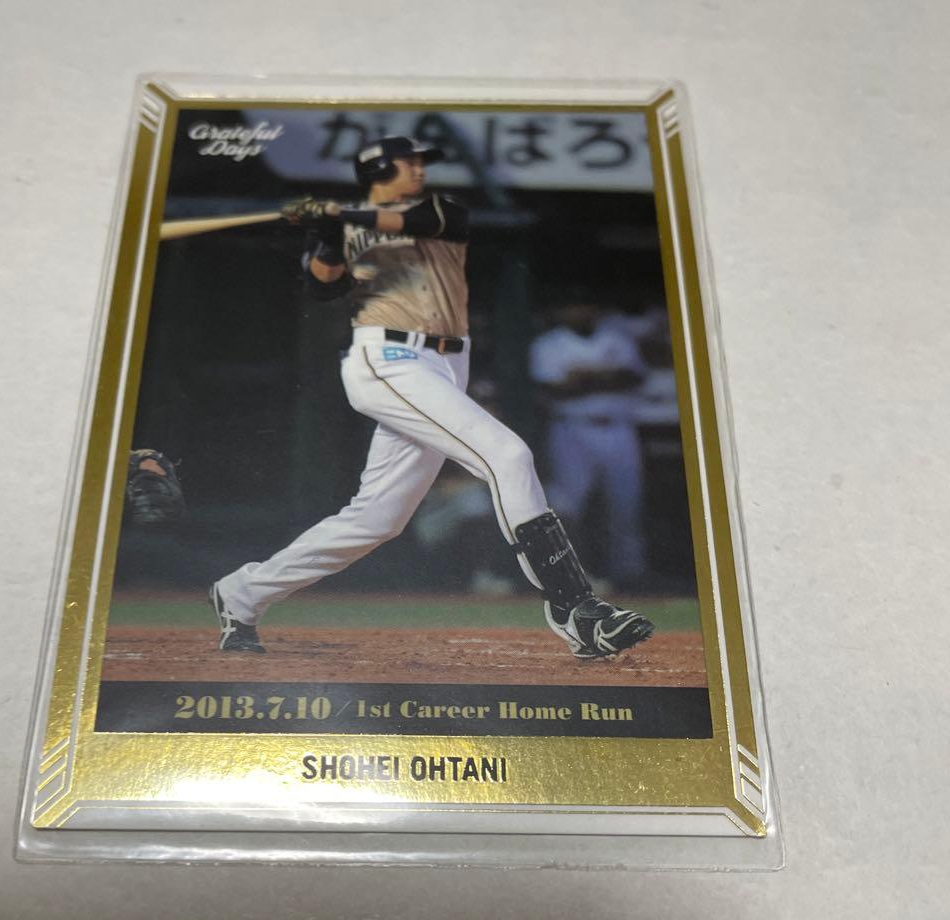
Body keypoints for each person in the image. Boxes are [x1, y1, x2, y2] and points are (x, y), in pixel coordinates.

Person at [209, 136, 654, 659]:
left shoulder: (439, 211)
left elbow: (420, 222)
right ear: (378, 167)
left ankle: (242, 593)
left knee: (376, 519)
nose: (419, 169)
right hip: (388, 358)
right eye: (409, 162)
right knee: (508, 455)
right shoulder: (348, 227)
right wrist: (326, 234)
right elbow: (323, 286)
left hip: (444, 364)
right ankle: (575, 607)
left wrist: (339, 213)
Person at [529, 295, 648, 588]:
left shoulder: (616, 338)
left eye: (586, 305)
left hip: (619, 429)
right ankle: (565, 573)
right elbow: (555, 389)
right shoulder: (549, 344)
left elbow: (633, 377)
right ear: (562, 310)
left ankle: (630, 574)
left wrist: (584, 376)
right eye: (573, 306)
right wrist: (605, 375)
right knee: (568, 506)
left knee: (626, 504)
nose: (580, 311)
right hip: (572, 429)